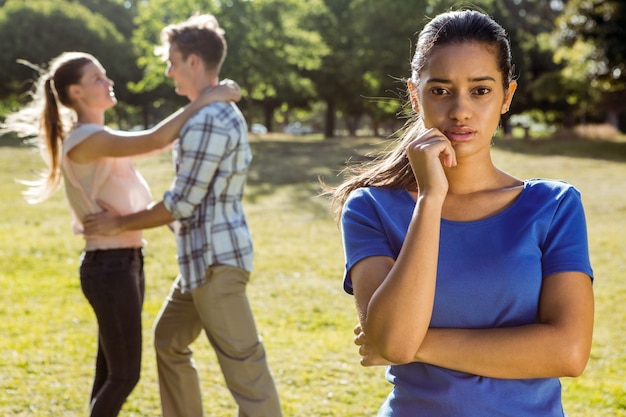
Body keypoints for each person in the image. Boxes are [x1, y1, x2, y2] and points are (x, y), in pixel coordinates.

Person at [327, 9, 594, 417]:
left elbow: (568, 352)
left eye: (481, 90)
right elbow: (394, 344)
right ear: (415, 97)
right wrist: (431, 199)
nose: (460, 110)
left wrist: (423, 343)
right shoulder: (371, 208)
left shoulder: (554, 207)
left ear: (507, 96)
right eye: (440, 90)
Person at [2, 51, 240, 417]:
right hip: (109, 267)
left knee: (110, 372)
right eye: (98, 78)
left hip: (124, 262)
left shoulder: (97, 137)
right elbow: (157, 139)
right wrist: (207, 97)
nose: (108, 82)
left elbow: (157, 145)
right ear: (76, 92)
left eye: (105, 73)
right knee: (125, 375)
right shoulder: (87, 140)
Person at [83, 14, 282, 417]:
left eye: (172, 61)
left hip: (215, 263)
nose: (168, 70)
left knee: (247, 370)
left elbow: (181, 203)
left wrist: (119, 222)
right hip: (199, 264)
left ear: (194, 61)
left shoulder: (208, 119)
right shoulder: (206, 113)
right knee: (168, 340)